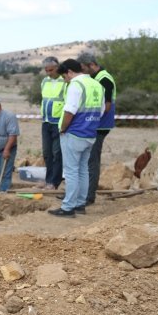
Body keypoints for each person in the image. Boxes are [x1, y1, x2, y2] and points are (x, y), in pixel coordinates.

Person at [48, 59, 104, 217]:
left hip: (74, 133)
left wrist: (63, 128)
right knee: (83, 170)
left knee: (71, 171)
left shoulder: (75, 85)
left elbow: (69, 111)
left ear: (69, 72)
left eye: (65, 77)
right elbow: (100, 111)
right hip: (90, 133)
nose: (65, 80)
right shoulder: (96, 84)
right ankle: (80, 204)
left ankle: (68, 207)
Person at [78, 52, 116, 205]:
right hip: (94, 124)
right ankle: (82, 193)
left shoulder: (104, 79)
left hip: (100, 125)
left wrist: (89, 116)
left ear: (91, 65)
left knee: (92, 160)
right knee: (86, 159)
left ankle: (89, 196)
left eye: (84, 68)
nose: (83, 72)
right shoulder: (96, 78)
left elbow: (106, 107)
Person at [39, 56, 66, 189]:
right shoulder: (44, 81)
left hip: (58, 123)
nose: (49, 73)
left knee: (57, 153)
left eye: (51, 70)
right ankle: (48, 179)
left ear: (57, 68)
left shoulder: (65, 82)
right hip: (46, 122)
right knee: (47, 153)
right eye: (46, 70)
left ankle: (55, 182)